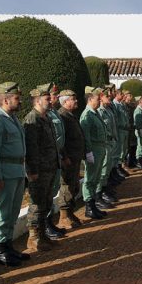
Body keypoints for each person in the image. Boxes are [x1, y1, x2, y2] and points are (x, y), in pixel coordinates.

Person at [0, 82, 29, 267]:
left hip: (17, 171)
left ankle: (8, 245)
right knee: (2, 211)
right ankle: (0, 249)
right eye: (17, 98)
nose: (20, 101)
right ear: (5, 99)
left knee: (13, 211)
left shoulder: (13, 119)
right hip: (5, 172)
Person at [23, 87, 61, 251]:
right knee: (37, 204)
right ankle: (33, 237)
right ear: (37, 100)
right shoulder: (32, 119)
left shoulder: (46, 118)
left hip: (50, 167)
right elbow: (31, 148)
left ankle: (43, 235)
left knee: (46, 202)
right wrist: (32, 171)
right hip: (39, 170)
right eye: (47, 98)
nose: (51, 101)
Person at [57, 89, 86, 228]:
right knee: (67, 187)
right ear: (65, 101)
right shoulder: (62, 116)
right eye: (73, 99)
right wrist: (65, 156)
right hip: (68, 159)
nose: (76, 101)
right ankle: (63, 216)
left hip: (75, 157)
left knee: (74, 186)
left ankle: (69, 213)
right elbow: (61, 140)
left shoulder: (70, 115)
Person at [79, 87, 109, 219]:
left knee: (96, 178)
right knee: (90, 179)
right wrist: (88, 152)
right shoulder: (87, 115)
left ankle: (94, 204)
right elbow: (86, 137)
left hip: (100, 149)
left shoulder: (95, 113)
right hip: (93, 150)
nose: (99, 101)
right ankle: (89, 207)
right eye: (97, 99)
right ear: (90, 99)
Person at [45, 83, 67, 240]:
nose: (56, 97)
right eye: (54, 95)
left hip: (57, 156)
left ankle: (49, 223)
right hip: (48, 159)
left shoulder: (54, 113)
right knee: (46, 194)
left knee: (53, 191)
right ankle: (45, 225)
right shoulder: (44, 115)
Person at [98, 89, 120, 204]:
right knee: (103, 170)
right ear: (101, 97)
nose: (109, 98)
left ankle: (105, 189)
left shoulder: (107, 109)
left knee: (107, 169)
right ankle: (100, 193)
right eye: (107, 96)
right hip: (104, 144)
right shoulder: (99, 111)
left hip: (110, 142)